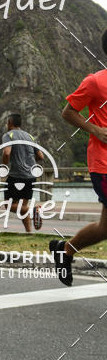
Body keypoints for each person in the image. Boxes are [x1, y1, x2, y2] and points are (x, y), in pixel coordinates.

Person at [51, 30, 107, 286]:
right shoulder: (95, 82)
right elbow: (68, 112)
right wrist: (95, 129)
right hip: (104, 164)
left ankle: (66, 250)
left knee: (105, 228)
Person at [1, 114, 44, 233]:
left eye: (7, 123)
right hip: (31, 176)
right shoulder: (29, 136)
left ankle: (33, 211)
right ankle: (29, 232)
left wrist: (4, 167)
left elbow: (7, 153)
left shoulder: (8, 135)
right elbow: (41, 156)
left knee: (9, 205)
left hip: (16, 175)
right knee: (22, 206)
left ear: (10, 123)